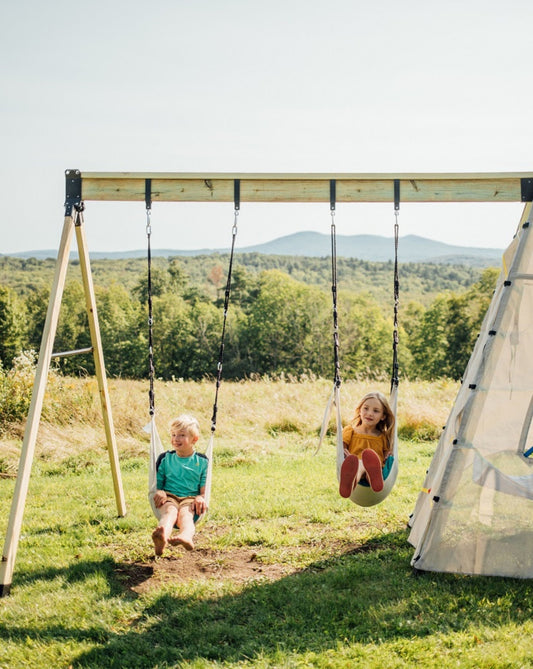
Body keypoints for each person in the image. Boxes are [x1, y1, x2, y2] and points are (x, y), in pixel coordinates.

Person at [151, 414, 208, 556]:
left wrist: (201, 497)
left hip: (190, 499)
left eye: (181, 435)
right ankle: (161, 537)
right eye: (173, 434)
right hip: (169, 496)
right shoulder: (165, 458)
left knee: (186, 515)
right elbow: (158, 483)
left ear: (194, 439)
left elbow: (203, 490)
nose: (176, 439)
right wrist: (159, 491)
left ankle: (186, 536)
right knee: (169, 512)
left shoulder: (202, 462)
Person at [339, 391, 395, 498]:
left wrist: (388, 454)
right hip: (354, 465)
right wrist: (342, 450)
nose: (369, 413)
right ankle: (350, 483)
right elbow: (342, 447)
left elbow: (387, 453)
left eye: (376, 411)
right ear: (360, 410)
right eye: (366, 408)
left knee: (370, 468)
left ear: (383, 416)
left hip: (377, 469)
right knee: (360, 464)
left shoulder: (383, 436)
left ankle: (372, 479)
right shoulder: (350, 431)